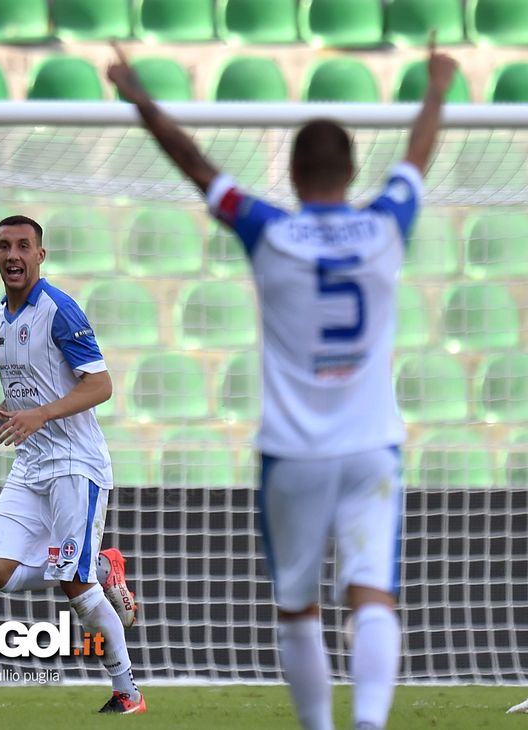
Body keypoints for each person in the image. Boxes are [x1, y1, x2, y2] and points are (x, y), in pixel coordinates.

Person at [108, 37, 457, 730]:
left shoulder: (269, 230)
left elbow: (195, 163)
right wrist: (438, 85)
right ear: (354, 172)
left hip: (292, 455)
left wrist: (138, 95)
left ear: (293, 175)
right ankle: (369, 725)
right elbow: (418, 155)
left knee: (299, 606)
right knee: (373, 597)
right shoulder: (387, 224)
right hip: (370, 449)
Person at [0, 215, 144, 714]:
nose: (13, 254)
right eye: (4, 246)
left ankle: (128, 693)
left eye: (24, 246)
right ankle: (100, 566)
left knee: (76, 587)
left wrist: (42, 415)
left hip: (75, 463)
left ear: (40, 254)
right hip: (30, 464)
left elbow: (100, 385)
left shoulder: (58, 309)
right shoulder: (0, 317)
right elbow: (24, 394)